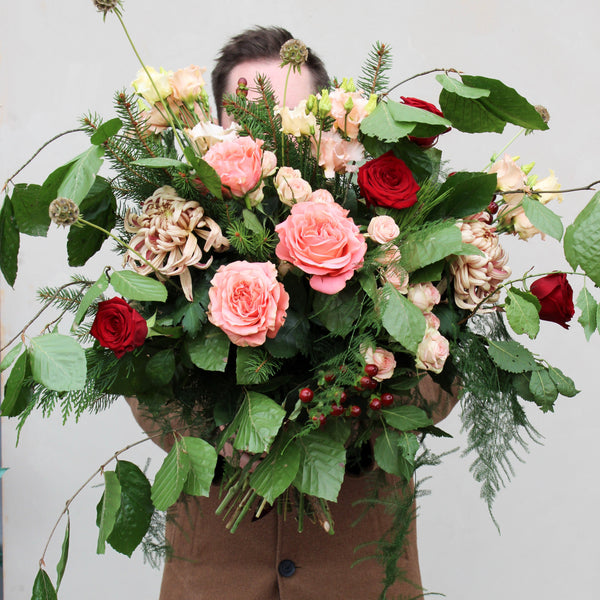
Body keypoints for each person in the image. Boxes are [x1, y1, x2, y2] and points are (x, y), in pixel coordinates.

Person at [128, 26, 458, 600]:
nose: (265, 134)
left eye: (287, 114)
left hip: (356, 568)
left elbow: (448, 368)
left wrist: (347, 415)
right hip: (216, 569)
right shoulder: (170, 233)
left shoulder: (392, 233)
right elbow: (139, 371)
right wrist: (219, 427)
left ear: (328, 122)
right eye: (246, 118)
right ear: (215, 130)